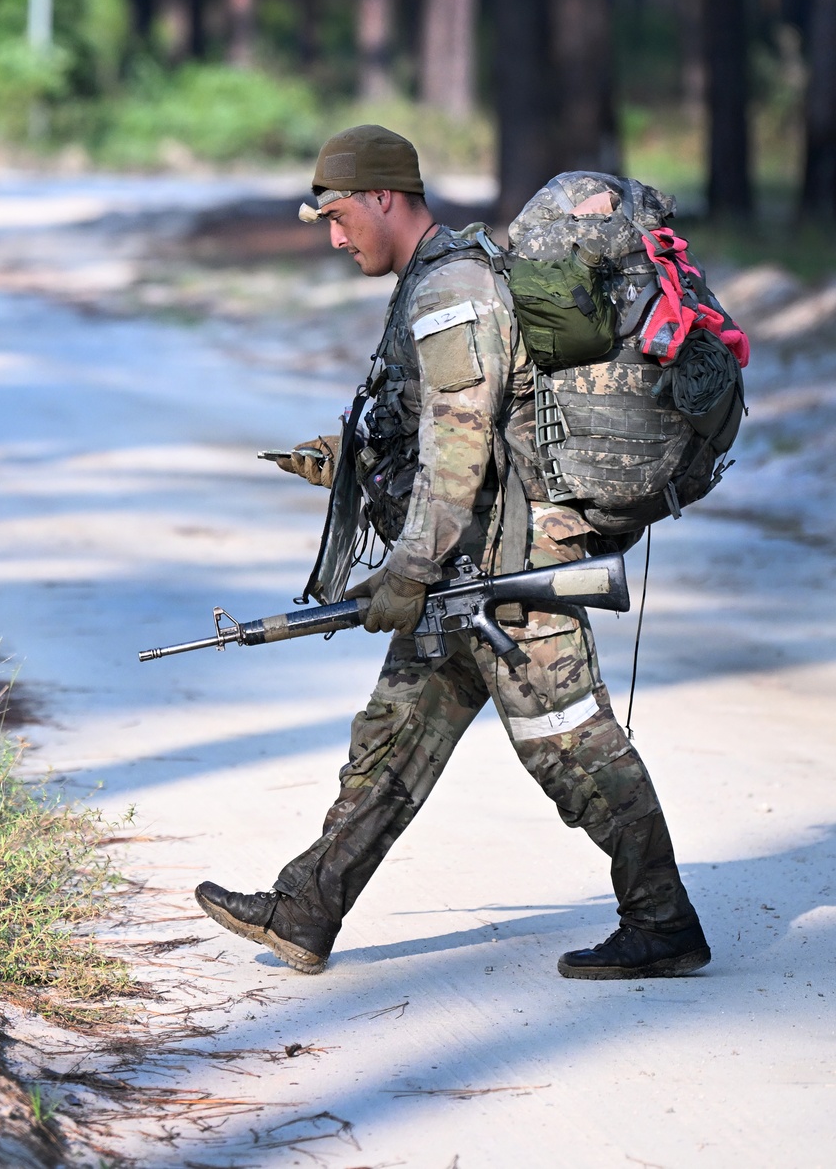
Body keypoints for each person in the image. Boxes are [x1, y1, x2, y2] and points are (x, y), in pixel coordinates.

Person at [195, 124, 710, 981]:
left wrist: (406, 571)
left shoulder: (453, 293)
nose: (333, 235)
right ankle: (306, 910)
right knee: (393, 734)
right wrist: (347, 455)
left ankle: (664, 921)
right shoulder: (432, 286)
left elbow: (461, 448)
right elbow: (431, 423)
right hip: (462, 573)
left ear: (385, 199)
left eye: (338, 215)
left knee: (569, 742)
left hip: (503, 568)